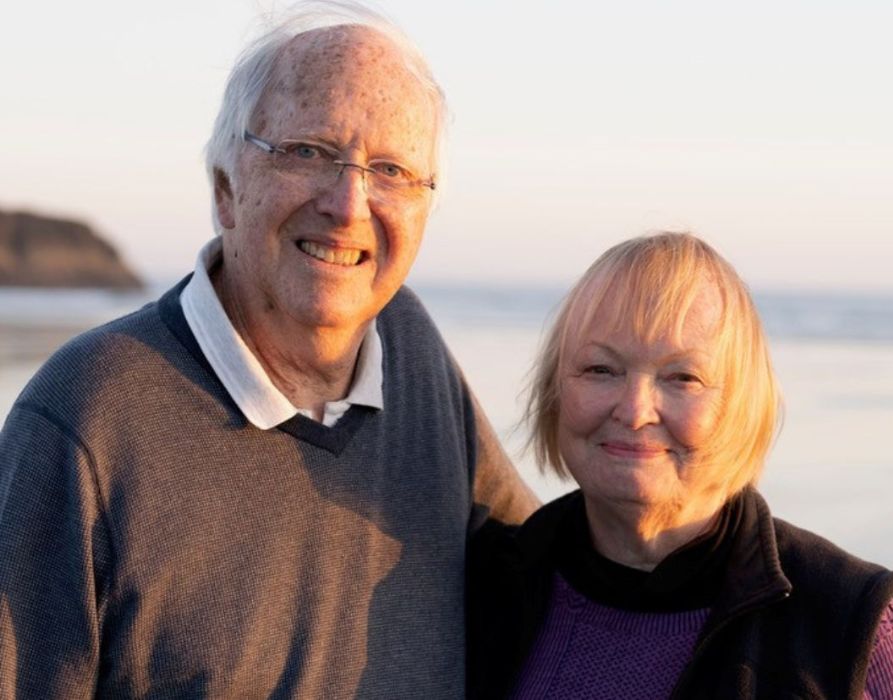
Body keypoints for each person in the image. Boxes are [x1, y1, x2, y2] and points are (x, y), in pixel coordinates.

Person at [0, 3, 537, 697]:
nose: (348, 204)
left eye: (392, 170)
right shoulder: (87, 418)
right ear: (226, 189)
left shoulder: (410, 348)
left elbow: (557, 570)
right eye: (308, 152)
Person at [467, 232, 893, 699]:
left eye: (683, 378)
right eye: (600, 370)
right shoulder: (481, 589)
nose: (634, 411)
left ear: (740, 404)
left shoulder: (850, 628)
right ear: (554, 392)